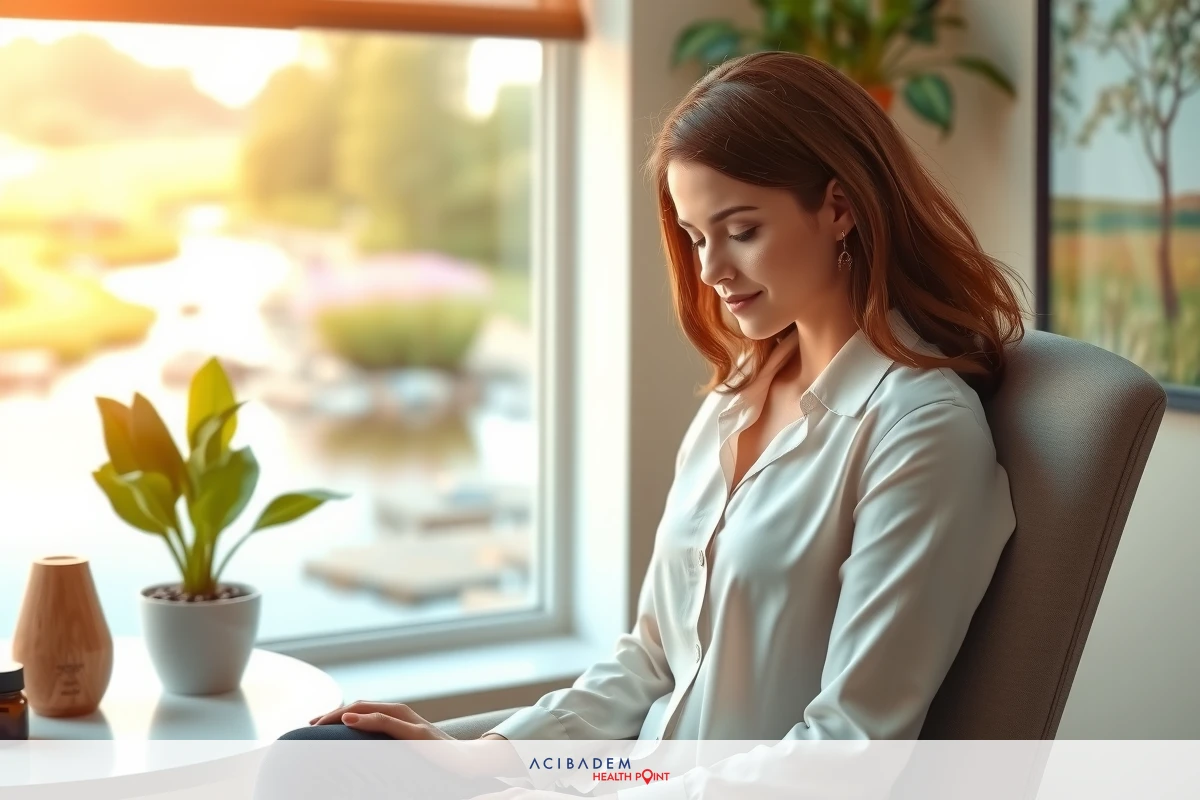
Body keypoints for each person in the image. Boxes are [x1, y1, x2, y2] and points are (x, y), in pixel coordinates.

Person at [262, 50, 1027, 797]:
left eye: (741, 229)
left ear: (838, 206)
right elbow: (653, 661)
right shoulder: (738, 397)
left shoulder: (919, 429)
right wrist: (487, 756)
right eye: (696, 236)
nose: (710, 270)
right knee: (317, 757)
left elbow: (849, 751)